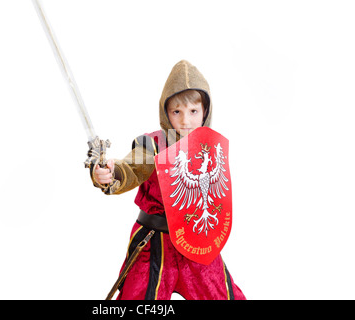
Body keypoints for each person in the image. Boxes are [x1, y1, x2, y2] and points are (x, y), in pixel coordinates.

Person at [91, 60, 245, 300]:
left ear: (205, 111)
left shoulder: (211, 147)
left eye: (193, 111)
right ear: (166, 112)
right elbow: (131, 168)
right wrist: (111, 174)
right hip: (154, 243)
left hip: (197, 242)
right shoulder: (153, 145)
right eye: (177, 112)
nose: (185, 121)